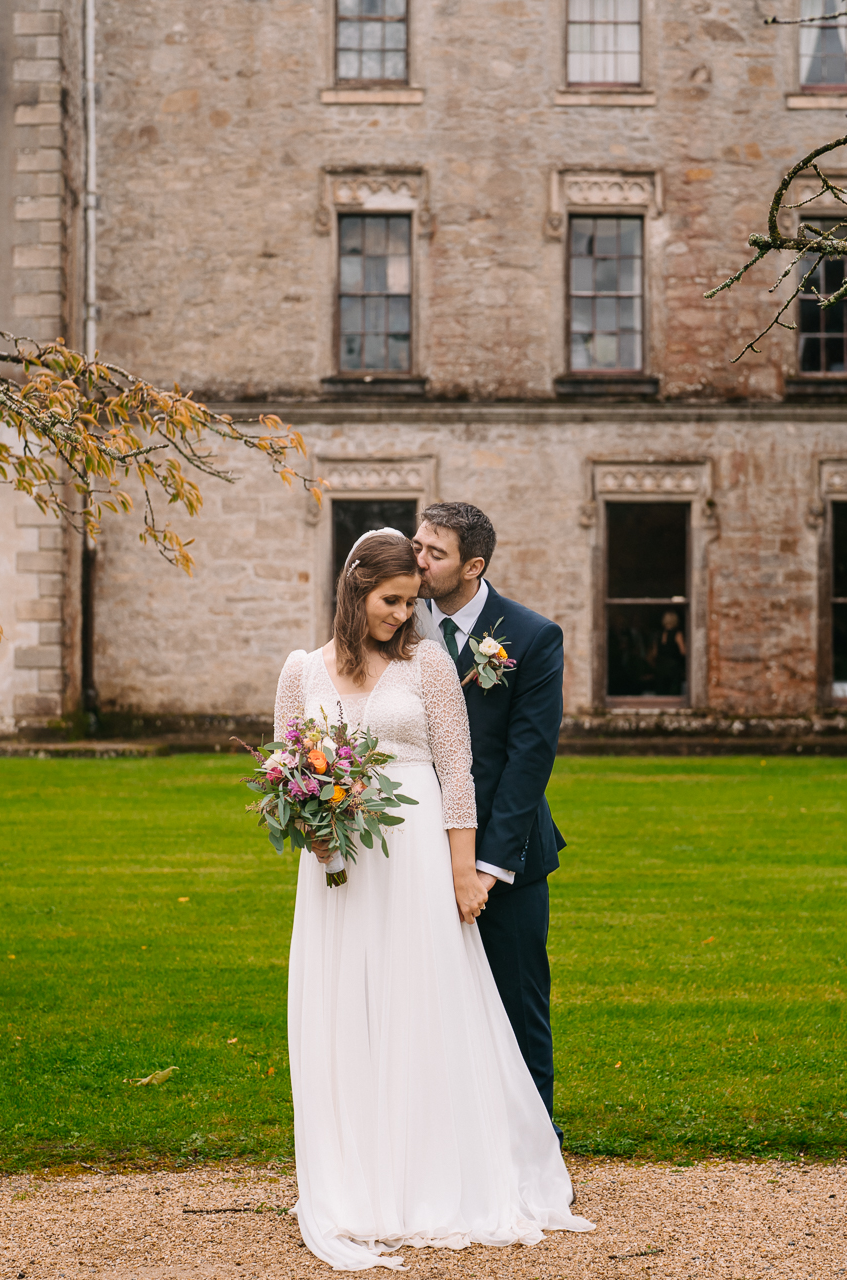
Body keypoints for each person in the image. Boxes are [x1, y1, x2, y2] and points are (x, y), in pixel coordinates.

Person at [274, 528, 591, 1272]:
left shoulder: (431, 667)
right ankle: (359, 1177)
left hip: (416, 860)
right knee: (346, 1013)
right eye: (391, 601)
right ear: (354, 590)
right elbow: (288, 764)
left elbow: (458, 772)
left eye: (411, 602)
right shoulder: (300, 670)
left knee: (423, 1006)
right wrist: (307, 826)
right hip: (339, 869)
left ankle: (436, 1173)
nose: (401, 614)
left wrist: (462, 874)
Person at [412, 503, 568, 1126]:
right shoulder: (395, 624)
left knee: (516, 1007)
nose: (419, 561)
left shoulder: (530, 637)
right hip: (415, 847)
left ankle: (537, 1150)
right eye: (417, 545)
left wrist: (487, 867)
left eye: (435, 553)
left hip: (509, 856)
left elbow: (530, 760)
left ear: (473, 566)